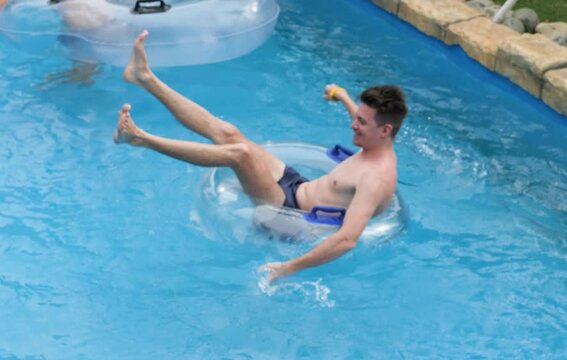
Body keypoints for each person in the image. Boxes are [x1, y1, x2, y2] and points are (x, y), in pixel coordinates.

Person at [114, 31, 408, 282]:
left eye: (361, 123)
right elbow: (360, 119)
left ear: (385, 130)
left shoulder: (376, 179)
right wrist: (342, 95)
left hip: (290, 210)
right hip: (297, 183)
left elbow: (346, 240)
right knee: (228, 131)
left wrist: (287, 268)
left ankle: (141, 139)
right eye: (356, 117)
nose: (352, 125)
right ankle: (145, 77)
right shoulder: (374, 143)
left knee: (239, 154)